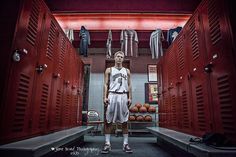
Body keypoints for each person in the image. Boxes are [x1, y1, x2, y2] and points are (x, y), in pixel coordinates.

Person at [101, 51, 133, 154]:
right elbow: (105, 84)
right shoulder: (109, 70)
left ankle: (125, 144)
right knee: (108, 121)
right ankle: (107, 144)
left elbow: (129, 85)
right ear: (114, 58)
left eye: (121, 57)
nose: (119, 58)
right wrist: (104, 97)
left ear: (123, 59)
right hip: (112, 95)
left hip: (123, 96)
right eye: (118, 56)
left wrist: (130, 97)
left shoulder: (127, 71)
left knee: (124, 121)